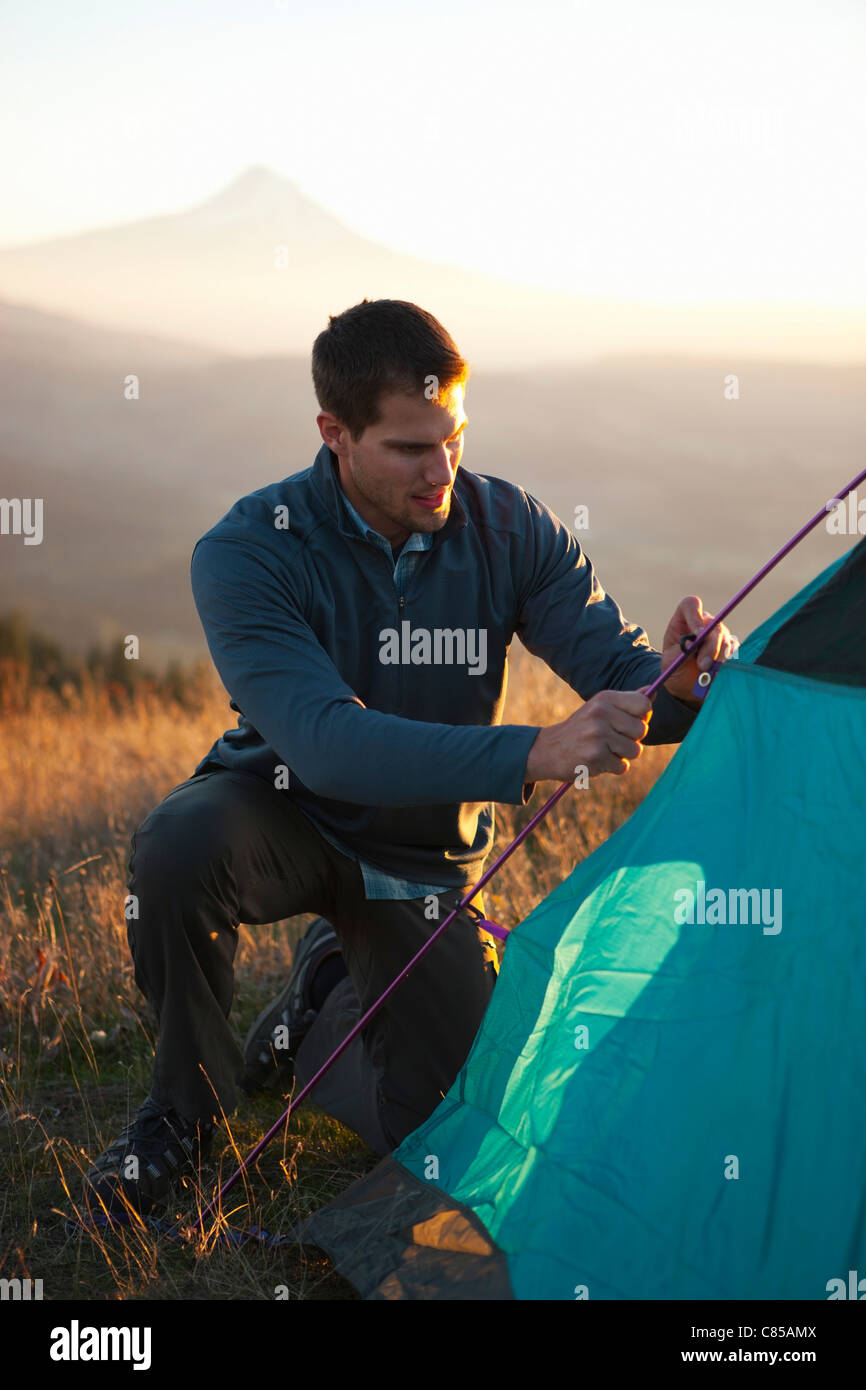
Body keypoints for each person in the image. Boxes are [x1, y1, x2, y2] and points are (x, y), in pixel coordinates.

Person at [83, 298, 735, 1220]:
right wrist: (536, 750)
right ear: (335, 434)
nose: (443, 473)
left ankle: (320, 1004)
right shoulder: (243, 550)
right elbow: (326, 744)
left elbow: (624, 678)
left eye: (455, 440)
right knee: (177, 847)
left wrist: (687, 680)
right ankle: (181, 1123)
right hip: (286, 809)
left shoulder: (511, 528)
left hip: (423, 860)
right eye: (410, 449)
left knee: (439, 1137)